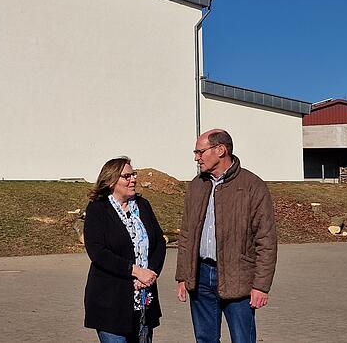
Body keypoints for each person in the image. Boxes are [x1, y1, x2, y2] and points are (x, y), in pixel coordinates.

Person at [175, 129, 278, 343]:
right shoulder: (196, 185)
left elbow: (266, 241)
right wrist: (183, 275)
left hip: (239, 279)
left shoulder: (252, 186)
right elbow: (186, 234)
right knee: (205, 338)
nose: (196, 157)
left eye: (200, 151)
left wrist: (261, 285)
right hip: (200, 276)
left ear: (221, 150)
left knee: (243, 339)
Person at [84, 156, 167, 343]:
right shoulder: (98, 209)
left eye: (134, 174)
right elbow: (98, 252)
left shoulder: (143, 206)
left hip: (144, 300)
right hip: (111, 302)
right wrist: (135, 271)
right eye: (127, 176)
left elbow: (159, 243)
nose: (133, 179)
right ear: (111, 181)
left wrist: (150, 273)